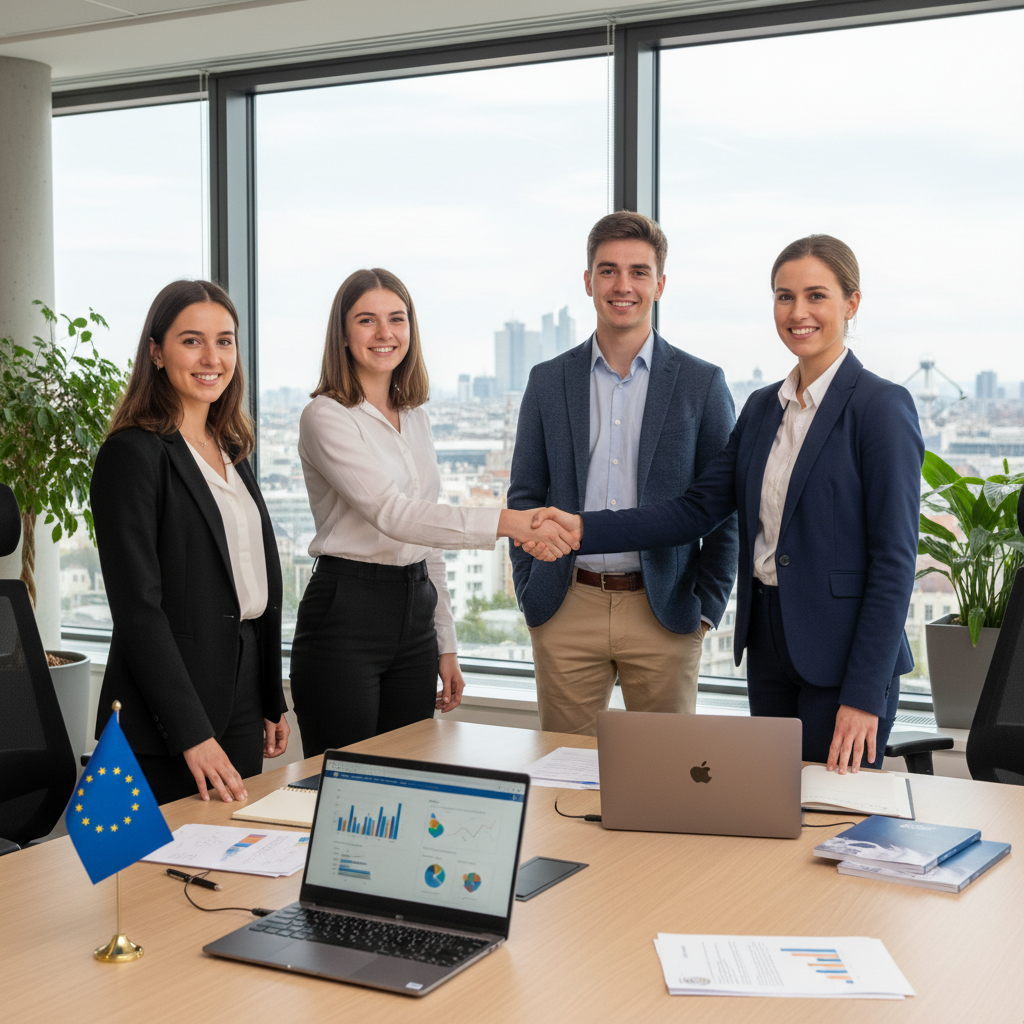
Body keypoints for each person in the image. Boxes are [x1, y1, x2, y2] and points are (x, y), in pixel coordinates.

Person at [530, 235, 925, 772]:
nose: (798, 312)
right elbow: (695, 510)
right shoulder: (765, 408)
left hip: (843, 659)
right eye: (784, 297)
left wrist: (864, 693)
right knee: (772, 810)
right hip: (770, 646)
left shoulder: (880, 407)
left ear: (851, 304)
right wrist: (581, 530)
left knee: (834, 819)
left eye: (816, 296)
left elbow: (894, 563)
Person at [289, 268, 577, 758]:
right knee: (345, 787)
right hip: (347, 611)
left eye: (396, 319)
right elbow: (393, 514)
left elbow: (427, 539)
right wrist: (510, 523)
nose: (385, 334)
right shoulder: (326, 416)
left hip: (414, 612)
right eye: (367, 320)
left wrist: (445, 642)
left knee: (407, 776)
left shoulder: (416, 418)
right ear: (342, 334)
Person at [507, 211, 739, 736]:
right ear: (588, 281)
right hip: (567, 604)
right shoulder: (548, 381)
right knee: (561, 782)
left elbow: (723, 509)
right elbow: (524, 495)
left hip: (666, 609)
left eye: (639, 272)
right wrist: (531, 591)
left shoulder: (702, 383)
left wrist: (706, 609)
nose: (623, 285)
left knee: (666, 786)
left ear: (660, 283)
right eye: (608, 270)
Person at [91, 280, 290, 804]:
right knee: (155, 879)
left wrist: (271, 696)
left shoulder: (231, 450)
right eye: (192, 340)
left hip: (242, 692)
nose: (212, 357)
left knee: (232, 866)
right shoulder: (132, 454)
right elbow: (138, 610)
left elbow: (253, 578)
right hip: (168, 716)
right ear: (156, 352)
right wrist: (192, 733)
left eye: (225, 341)